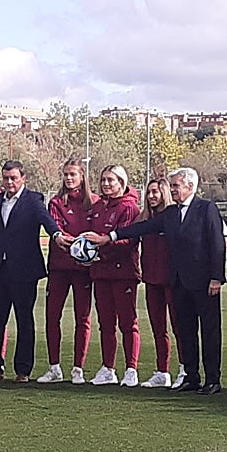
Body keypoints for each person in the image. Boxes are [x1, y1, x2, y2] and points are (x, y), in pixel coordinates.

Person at [86, 167, 226, 395]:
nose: (172, 190)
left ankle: (213, 379)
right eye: (171, 186)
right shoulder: (170, 213)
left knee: (210, 330)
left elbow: (217, 243)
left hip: (203, 282)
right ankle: (192, 377)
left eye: (176, 186)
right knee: (185, 329)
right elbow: (142, 227)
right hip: (179, 281)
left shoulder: (205, 208)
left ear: (190, 186)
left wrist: (216, 277)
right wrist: (109, 237)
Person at [0, 160, 65, 383]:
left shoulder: (33, 200)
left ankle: (23, 370)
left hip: (24, 270)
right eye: (6, 178)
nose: (9, 182)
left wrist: (57, 236)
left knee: (24, 319)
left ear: (23, 178)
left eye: (13, 178)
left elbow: (48, 222)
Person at [36, 159, 96, 384]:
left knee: (83, 318)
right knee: (52, 317)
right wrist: (73, 243)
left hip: (83, 270)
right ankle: (54, 367)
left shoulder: (94, 203)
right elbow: (57, 231)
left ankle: (78, 369)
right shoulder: (56, 202)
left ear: (82, 176)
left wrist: (85, 249)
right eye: (66, 174)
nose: (69, 178)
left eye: (73, 174)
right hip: (59, 267)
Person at [85, 165, 142, 386]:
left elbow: (129, 241)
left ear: (122, 182)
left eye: (111, 180)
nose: (106, 184)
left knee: (128, 323)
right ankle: (108, 367)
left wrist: (103, 246)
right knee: (106, 323)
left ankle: (131, 368)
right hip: (100, 272)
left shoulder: (129, 208)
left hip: (123, 272)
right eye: (103, 180)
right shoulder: (98, 206)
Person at [135, 178, 180, 388]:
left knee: (179, 327)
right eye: (149, 192)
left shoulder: (173, 216)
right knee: (158, 328)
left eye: (156, 192)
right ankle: (162, 371)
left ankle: (184, 368)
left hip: (172, 281)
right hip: (151, 280)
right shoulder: (144, 219)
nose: (152, 196)